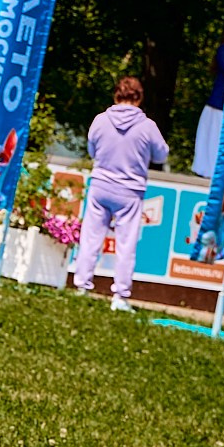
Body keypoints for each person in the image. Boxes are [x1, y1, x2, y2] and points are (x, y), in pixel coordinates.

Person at [71, 75, 170, 311]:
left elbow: (92, 150)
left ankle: (82, 286)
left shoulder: (100, 120)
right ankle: (120, 296)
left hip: (100, 186)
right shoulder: (148, 126)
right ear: (139, 98)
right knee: (126, 245)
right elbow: (162, 155)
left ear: (116, 95)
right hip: (130, 192)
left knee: (90, 239)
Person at [191, 28, 224, 178]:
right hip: (218, 104)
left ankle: (215, 171)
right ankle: (206, 169)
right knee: (210, 138)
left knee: (219, 140)